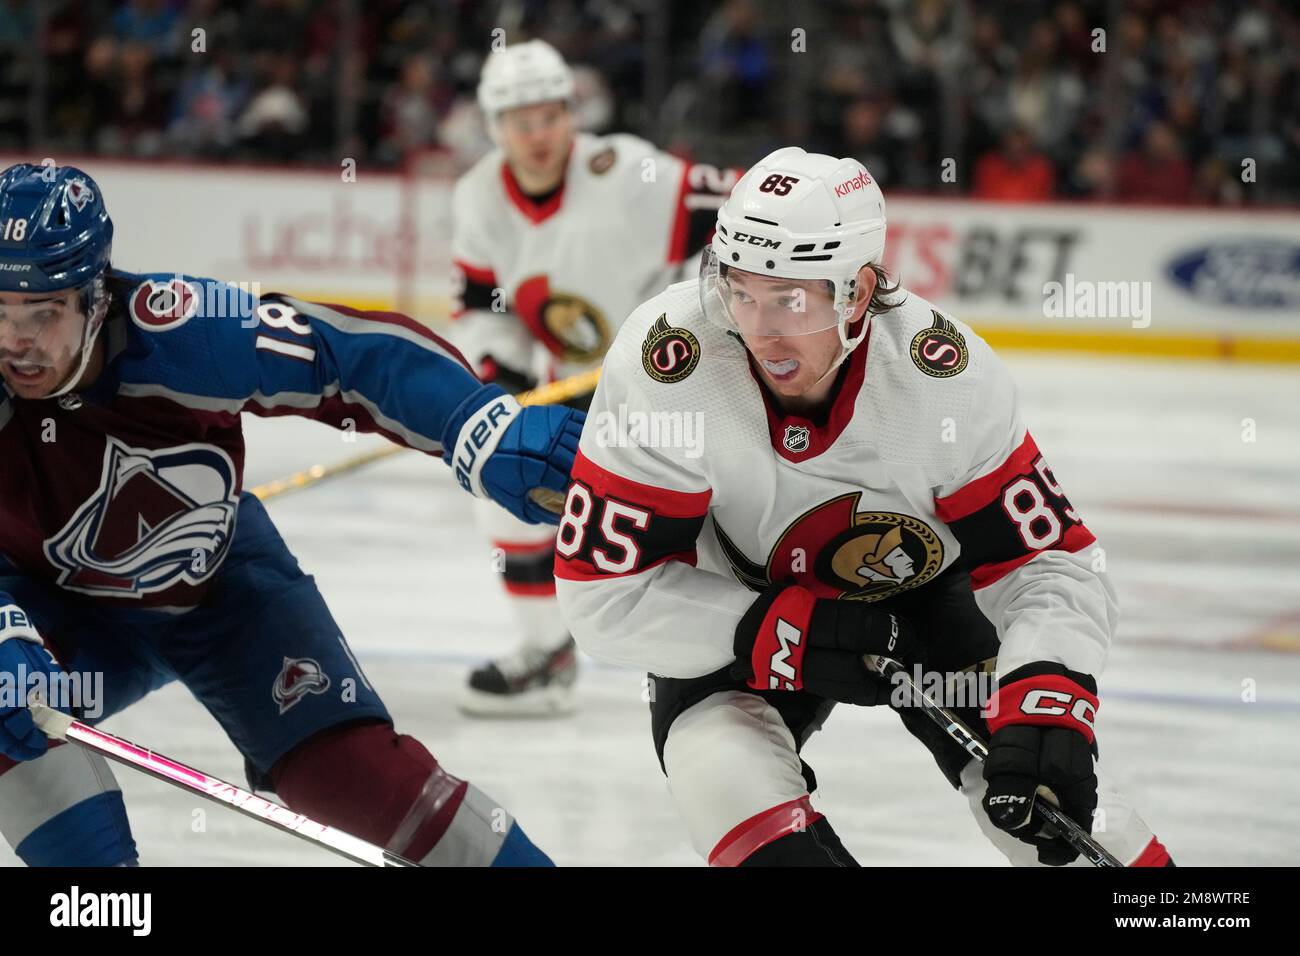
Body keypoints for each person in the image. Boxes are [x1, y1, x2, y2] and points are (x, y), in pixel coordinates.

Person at [554, 147, 1174, 867]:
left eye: (790, 300)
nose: (759, 331)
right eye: (740, 292)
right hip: (735, 603)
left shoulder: (945, 381)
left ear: (859, 292)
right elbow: (604, 593)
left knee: (1054, 815)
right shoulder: (669, 364)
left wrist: (1049, 685)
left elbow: (1049, 558)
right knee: (723, 783)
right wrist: (771, 631)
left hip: (927, 599)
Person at [0, 162, 582, 866]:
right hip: (46, 603)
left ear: (97, 299)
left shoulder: (183, 332)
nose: (15, 342)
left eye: (43, 313)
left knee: (359, 782)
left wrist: (476, 422)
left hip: (223, 594)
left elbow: (350, 356)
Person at [450, 39, 738, 715]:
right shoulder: (478, 197)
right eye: (521, 122)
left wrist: (707, 310)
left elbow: (742, 205)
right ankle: (547, 654)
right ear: (495, 128)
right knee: (505, 477)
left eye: (550, 116)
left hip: (674, 370)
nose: (538, 134)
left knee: (708, 513)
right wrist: (500, 372)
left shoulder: (625, 170)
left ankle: (738, 656)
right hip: (578, 379)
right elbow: (480, 303)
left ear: (570, 114)